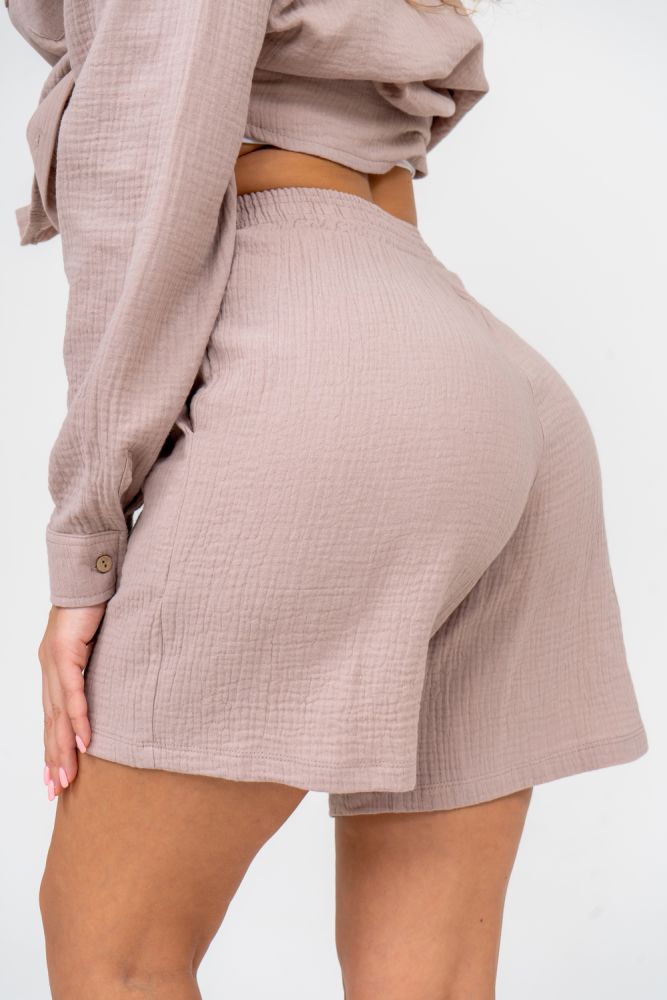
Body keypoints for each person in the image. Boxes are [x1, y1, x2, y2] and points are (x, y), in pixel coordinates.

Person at [8, 0, 648, 996]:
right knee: (427, 978)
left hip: (317, 356)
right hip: (475, 373)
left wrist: (85, 542)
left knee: (113, 949)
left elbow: (148, 174)